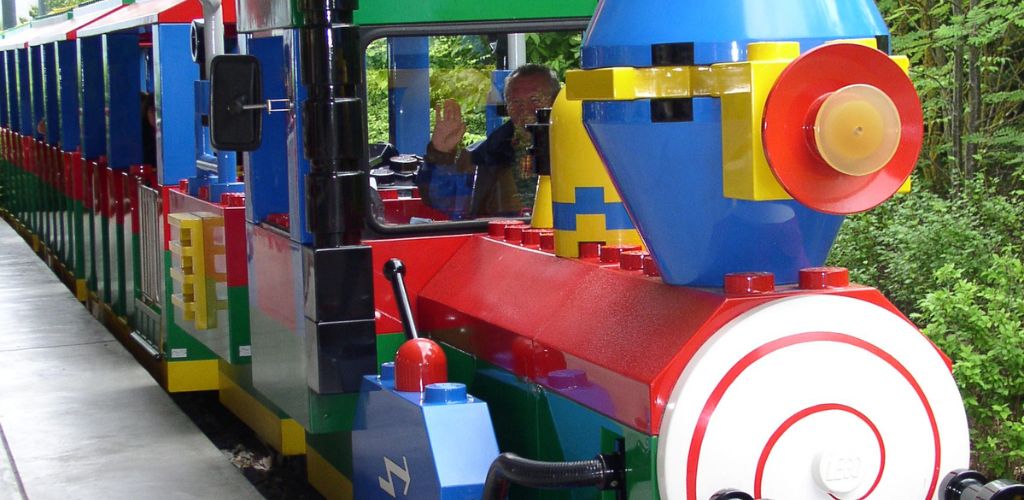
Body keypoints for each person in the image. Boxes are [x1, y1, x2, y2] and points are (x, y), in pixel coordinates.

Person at [421, 64, 560, 218]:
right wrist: (440, 155)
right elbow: (447, 201)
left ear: (556, 101)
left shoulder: (581, 147)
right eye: (515, 102)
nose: (524, 109)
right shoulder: (482, 156)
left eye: (535, 99)